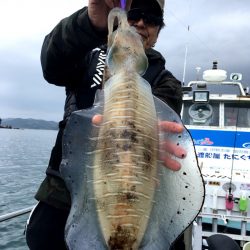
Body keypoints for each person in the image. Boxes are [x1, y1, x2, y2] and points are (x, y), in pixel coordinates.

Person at [26, 0, 186, 249]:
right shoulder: (86, 58)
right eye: (135, 13)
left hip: (132, 196)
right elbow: (52, 63)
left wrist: (144, 133)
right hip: (62, 197)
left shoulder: (167, 82)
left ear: (157, 34)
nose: (141, 22)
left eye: (152, 18)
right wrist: (89, 23)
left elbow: (160, 125)